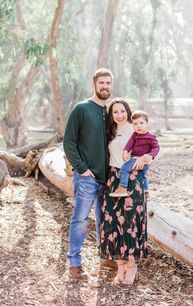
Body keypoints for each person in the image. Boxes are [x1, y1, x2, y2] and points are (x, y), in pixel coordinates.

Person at [63, 68, 113, 281]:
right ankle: (75, 264)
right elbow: (69, 142)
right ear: (94, 85)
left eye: (108, 83)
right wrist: (82, 169)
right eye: (101, 83)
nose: (105, 86)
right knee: (81, 220)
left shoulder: (110, 112)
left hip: (107, 178)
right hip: (86, 178)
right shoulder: (82, 109)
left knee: (104, 220)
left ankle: (105, 257)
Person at [100, 98, 152, 286]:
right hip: (113, 178)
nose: (119, 115)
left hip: (133, 178)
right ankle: (120, 265)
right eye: (115, 112)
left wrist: (147, 157)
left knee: (131, 221)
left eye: (122, 111)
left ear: (128, 112)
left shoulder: (136, 127)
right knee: (113, 220)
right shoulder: (110, 131)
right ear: (111, 115)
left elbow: (155, 147)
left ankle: (131, 266)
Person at [109, 110, 160, 198]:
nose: (138, 126)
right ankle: (146, 191)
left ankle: (122, 188)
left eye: (141, 123)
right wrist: (125, 150)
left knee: (124, 169)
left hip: (139, 159)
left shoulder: (150, 136)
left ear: (147, 123)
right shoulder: (135, 134)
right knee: (143, 176)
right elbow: (130, 143)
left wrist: (150, 155)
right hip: (139, 160)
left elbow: (156, 148)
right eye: (135, 124)